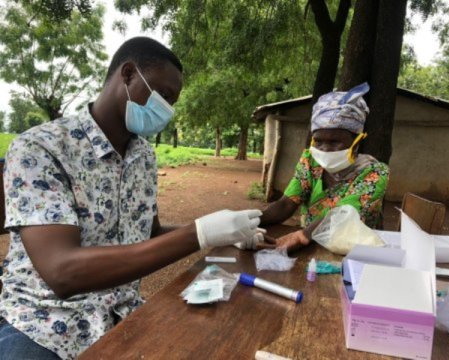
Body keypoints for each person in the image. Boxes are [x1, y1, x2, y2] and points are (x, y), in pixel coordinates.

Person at [0, 37, 264, 360]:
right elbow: (61, 271)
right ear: (127, 74)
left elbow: (149, 235)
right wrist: (200, 231)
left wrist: (224, 234)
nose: (167, 110)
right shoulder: (43, 148)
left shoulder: (144, 157)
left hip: (121, 314)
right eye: (163, 95)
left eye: (172, 101)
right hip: (43, 323)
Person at [260, 83, 389, 251]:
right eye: (318, 141)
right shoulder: (310, 162)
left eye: (335, 142)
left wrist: (302, 236)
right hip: (309, 245)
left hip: (351, 252)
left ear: (357, 142)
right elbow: (287, 204)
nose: (325, 149)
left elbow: (344, 216)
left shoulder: (374, 173)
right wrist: (250, 220)